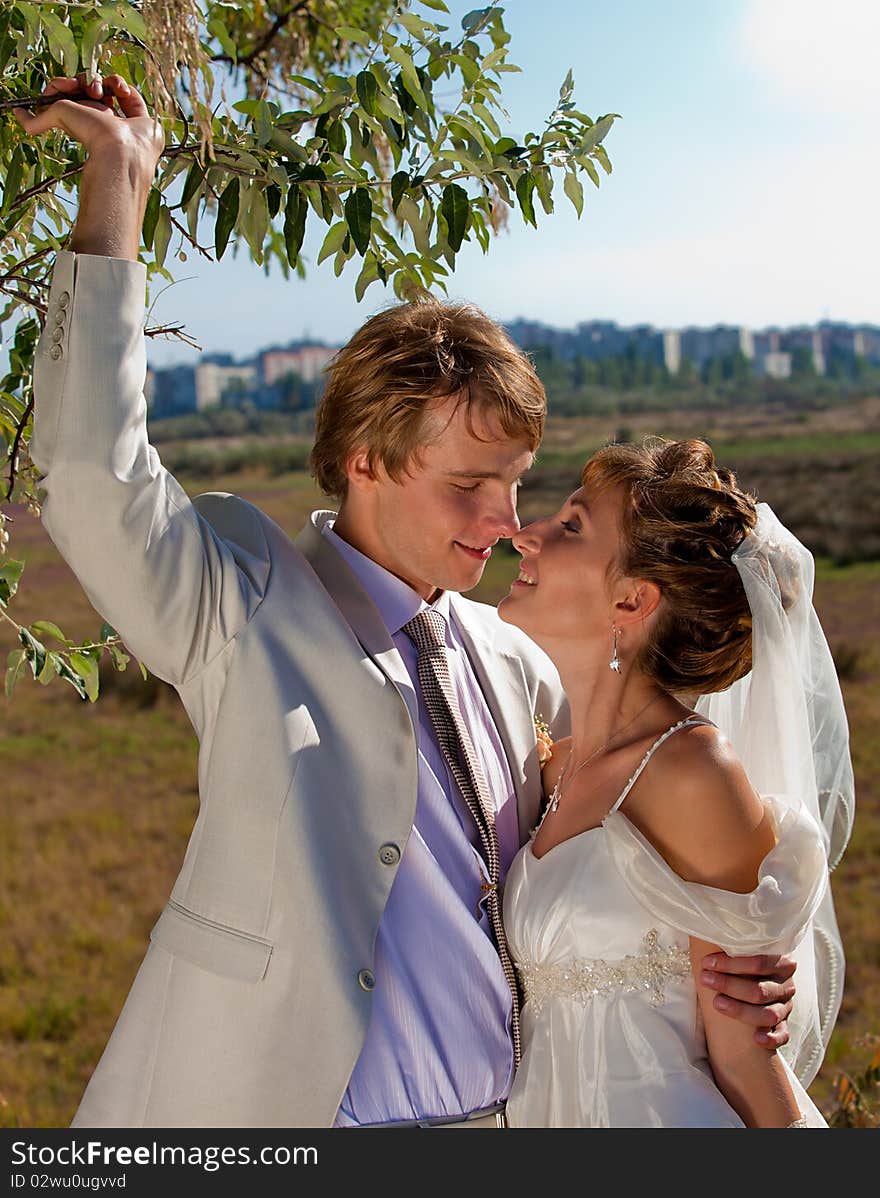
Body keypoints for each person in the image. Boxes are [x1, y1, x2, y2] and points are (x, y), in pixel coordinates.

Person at [15, 75, 798, 1128]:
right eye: (468, 485)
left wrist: (740, 952)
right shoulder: (244, 598)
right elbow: (92, 476)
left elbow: (632, 848)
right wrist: (118, 184)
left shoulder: (516, 659)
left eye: (519, 480)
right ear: (361, 461)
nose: (505, 519)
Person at [498, 437, 854, 1127]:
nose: (526, 536)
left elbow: (744, 1055)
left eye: (571, 526)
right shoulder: (552, 766)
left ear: (633, 600)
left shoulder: (692, 772)